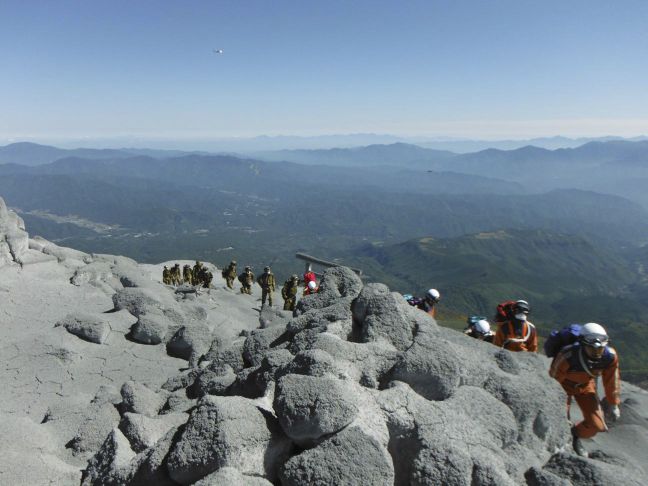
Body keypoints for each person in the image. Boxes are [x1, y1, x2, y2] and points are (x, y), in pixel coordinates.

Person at [549, 323, 621, 457]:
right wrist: (558, 403)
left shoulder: (610, 357)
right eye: (592, 348)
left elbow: (612, 381)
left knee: (597, 425)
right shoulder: (568, 355)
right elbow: (554, 378)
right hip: (563, 387)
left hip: (586, 386)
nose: (596, 352)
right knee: (562, 420)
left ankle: (575, 435)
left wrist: (614, 403)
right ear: (582, 343)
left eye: (600, 349)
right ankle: (562, 441)